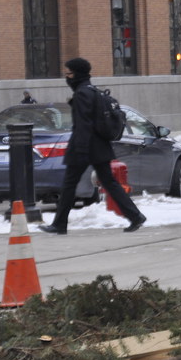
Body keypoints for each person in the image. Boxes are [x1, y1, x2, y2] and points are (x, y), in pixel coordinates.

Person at [40, 58, 146, 234]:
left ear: (77, 73)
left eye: (69, 73)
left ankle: (59, 224)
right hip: (99, 147)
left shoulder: (82, 94)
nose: (67, 77)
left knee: (69, 184)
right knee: (109, 183)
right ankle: (135, 216)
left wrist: (80, 150)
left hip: (85, 146)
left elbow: (84, 124)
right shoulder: (92, 91)